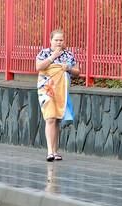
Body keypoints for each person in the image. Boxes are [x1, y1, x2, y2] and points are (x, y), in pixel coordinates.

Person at [36, 29, 80, 162]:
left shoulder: (69, 55)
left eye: (61, 40)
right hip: (47, 89)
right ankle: (49, 151)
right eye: (56, 40)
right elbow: (38, 67)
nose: (59, 42)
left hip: (62, 90)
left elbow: (77, 71)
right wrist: (52, 57)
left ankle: (55, 151)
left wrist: (69, 68)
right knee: (49, 118)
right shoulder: (44, 53)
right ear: (50, 41)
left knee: (57, 119)